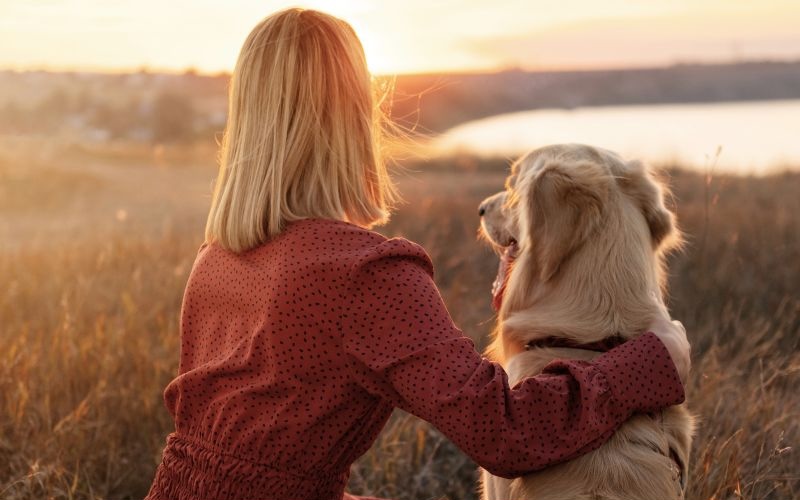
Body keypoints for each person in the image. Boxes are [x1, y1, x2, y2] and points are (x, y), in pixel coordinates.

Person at [144, 8, 690, 500]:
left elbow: (245, 466)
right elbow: (505, 433)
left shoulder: (215, 259)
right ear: (357, 112)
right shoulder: (365, 275)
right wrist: (646, 365)